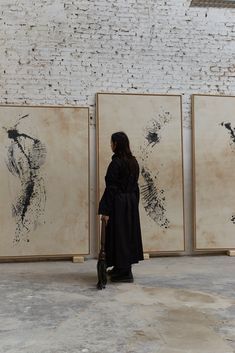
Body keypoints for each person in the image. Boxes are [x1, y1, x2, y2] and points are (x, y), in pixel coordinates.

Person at [98, 131, 144, 283]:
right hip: (130, 202)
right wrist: (133, 204)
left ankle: (124, 273)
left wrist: (105, 210)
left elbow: (111, 188)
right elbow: (135, 187)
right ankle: (121, 268)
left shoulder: (116, 163)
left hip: (118, 203)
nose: (110, 145)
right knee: (127, 235)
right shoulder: (134, 162)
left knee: (118, 235)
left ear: (116, 144)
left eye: (111, 142)